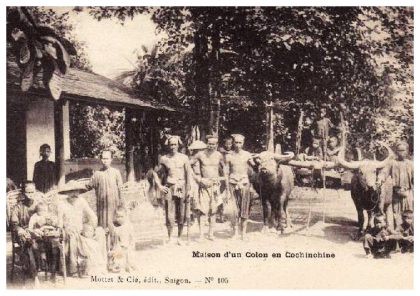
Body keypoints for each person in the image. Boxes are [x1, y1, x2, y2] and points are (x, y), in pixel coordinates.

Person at [57, 181, 107, 276]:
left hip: (82, 231)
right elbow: (59, 223)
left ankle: (100, 265)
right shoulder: (62, 204)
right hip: (69, 232)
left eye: (77, 191)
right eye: (71, 191)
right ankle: (74, 268)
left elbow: (92, 216)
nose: (74, 194)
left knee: (100, 232)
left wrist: (94, 227)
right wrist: (63, 229)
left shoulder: (81, 201)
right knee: (73, 236)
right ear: (67, 193)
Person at [152, 135, 193, 245]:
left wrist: (189, 189)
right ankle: (170, 237)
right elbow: (155, 172)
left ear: (178, 145)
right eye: (171, 144)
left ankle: (179, 237)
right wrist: (160, 186)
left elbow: (188, 174)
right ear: (168, 145)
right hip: (169, 187)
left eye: (175, 144)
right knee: (169, 213)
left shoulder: (184, 158)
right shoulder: (164, 158)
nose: (173, 146)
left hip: (182, 187)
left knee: (182, 213)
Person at [190, 135, 226, 241]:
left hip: (215, 186)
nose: (211, 146)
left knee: (214, 210)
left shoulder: (219, 155)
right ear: (207, 144)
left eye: (213, 144)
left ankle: (211, 234)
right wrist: (199, 179)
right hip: (204, 186)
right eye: (209, 143)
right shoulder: (200, 154)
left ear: (216, 145)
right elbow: (188, 165)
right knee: (202, 211)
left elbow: (225, 168)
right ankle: (201, 235)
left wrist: (222, 179)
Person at [225, 134, 256, 240]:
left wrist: (258, 162)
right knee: (234, 209)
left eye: (240, 143)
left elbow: (254, 166)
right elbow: (226, 172)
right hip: (233, 183)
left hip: (244, 183)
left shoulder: (247, 155)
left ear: (243, 143)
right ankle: (235, 233)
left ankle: (243, 233)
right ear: (233, 143)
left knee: (244, 207)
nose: (238, 145)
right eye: (236, 142)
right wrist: (227, 186)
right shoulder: (229, 155)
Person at [9, 181, 42, 283]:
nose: (30, 195)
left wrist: (41, 227)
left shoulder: (39, 205)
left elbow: (45, 218)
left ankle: (38, 267)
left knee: (39, 243)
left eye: (32, 192)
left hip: (36, 232)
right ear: (23, 193)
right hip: (22, 233)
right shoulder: (18, 207)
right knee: (29, 243)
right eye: (28, 192)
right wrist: (20, 229)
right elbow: (14, 223)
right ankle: (35, 275)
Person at [86, 150, 124, 236]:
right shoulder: (97, 174)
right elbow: (88, 186)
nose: (105, 161)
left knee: (115, 226)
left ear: (111, 159)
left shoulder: (116, 173)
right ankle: (104, 247)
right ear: (100, 159)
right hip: (102, 206)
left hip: (114, 205)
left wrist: (121, 205)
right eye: (103, 158)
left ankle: (114, 246)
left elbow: (120, 190)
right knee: (103, 228)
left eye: (107, 158)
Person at [378, 141, 413, 229]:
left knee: (409, 213)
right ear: (396, 151)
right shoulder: (392, 163)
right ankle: (396, 232)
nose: (401, 153)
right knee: (396, 212)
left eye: (403, 150)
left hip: (408, 193)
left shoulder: (411, 164)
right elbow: (384, 172)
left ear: (407, 151)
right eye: (399, 150)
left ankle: (409, 233)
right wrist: (380, 179)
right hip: (396, 193)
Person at [108, 206, 136, 273]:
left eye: (121, 216)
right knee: (118, 254)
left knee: (129, 256)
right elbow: (113, 239)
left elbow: (132, 238)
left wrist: (131, 246)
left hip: (127, 247)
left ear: (126, 216)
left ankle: (129, 266)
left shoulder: (129, 226)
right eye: (117, 217)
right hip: (118, 247)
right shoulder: (116, 227)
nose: (119, 219)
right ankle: (119, 266)